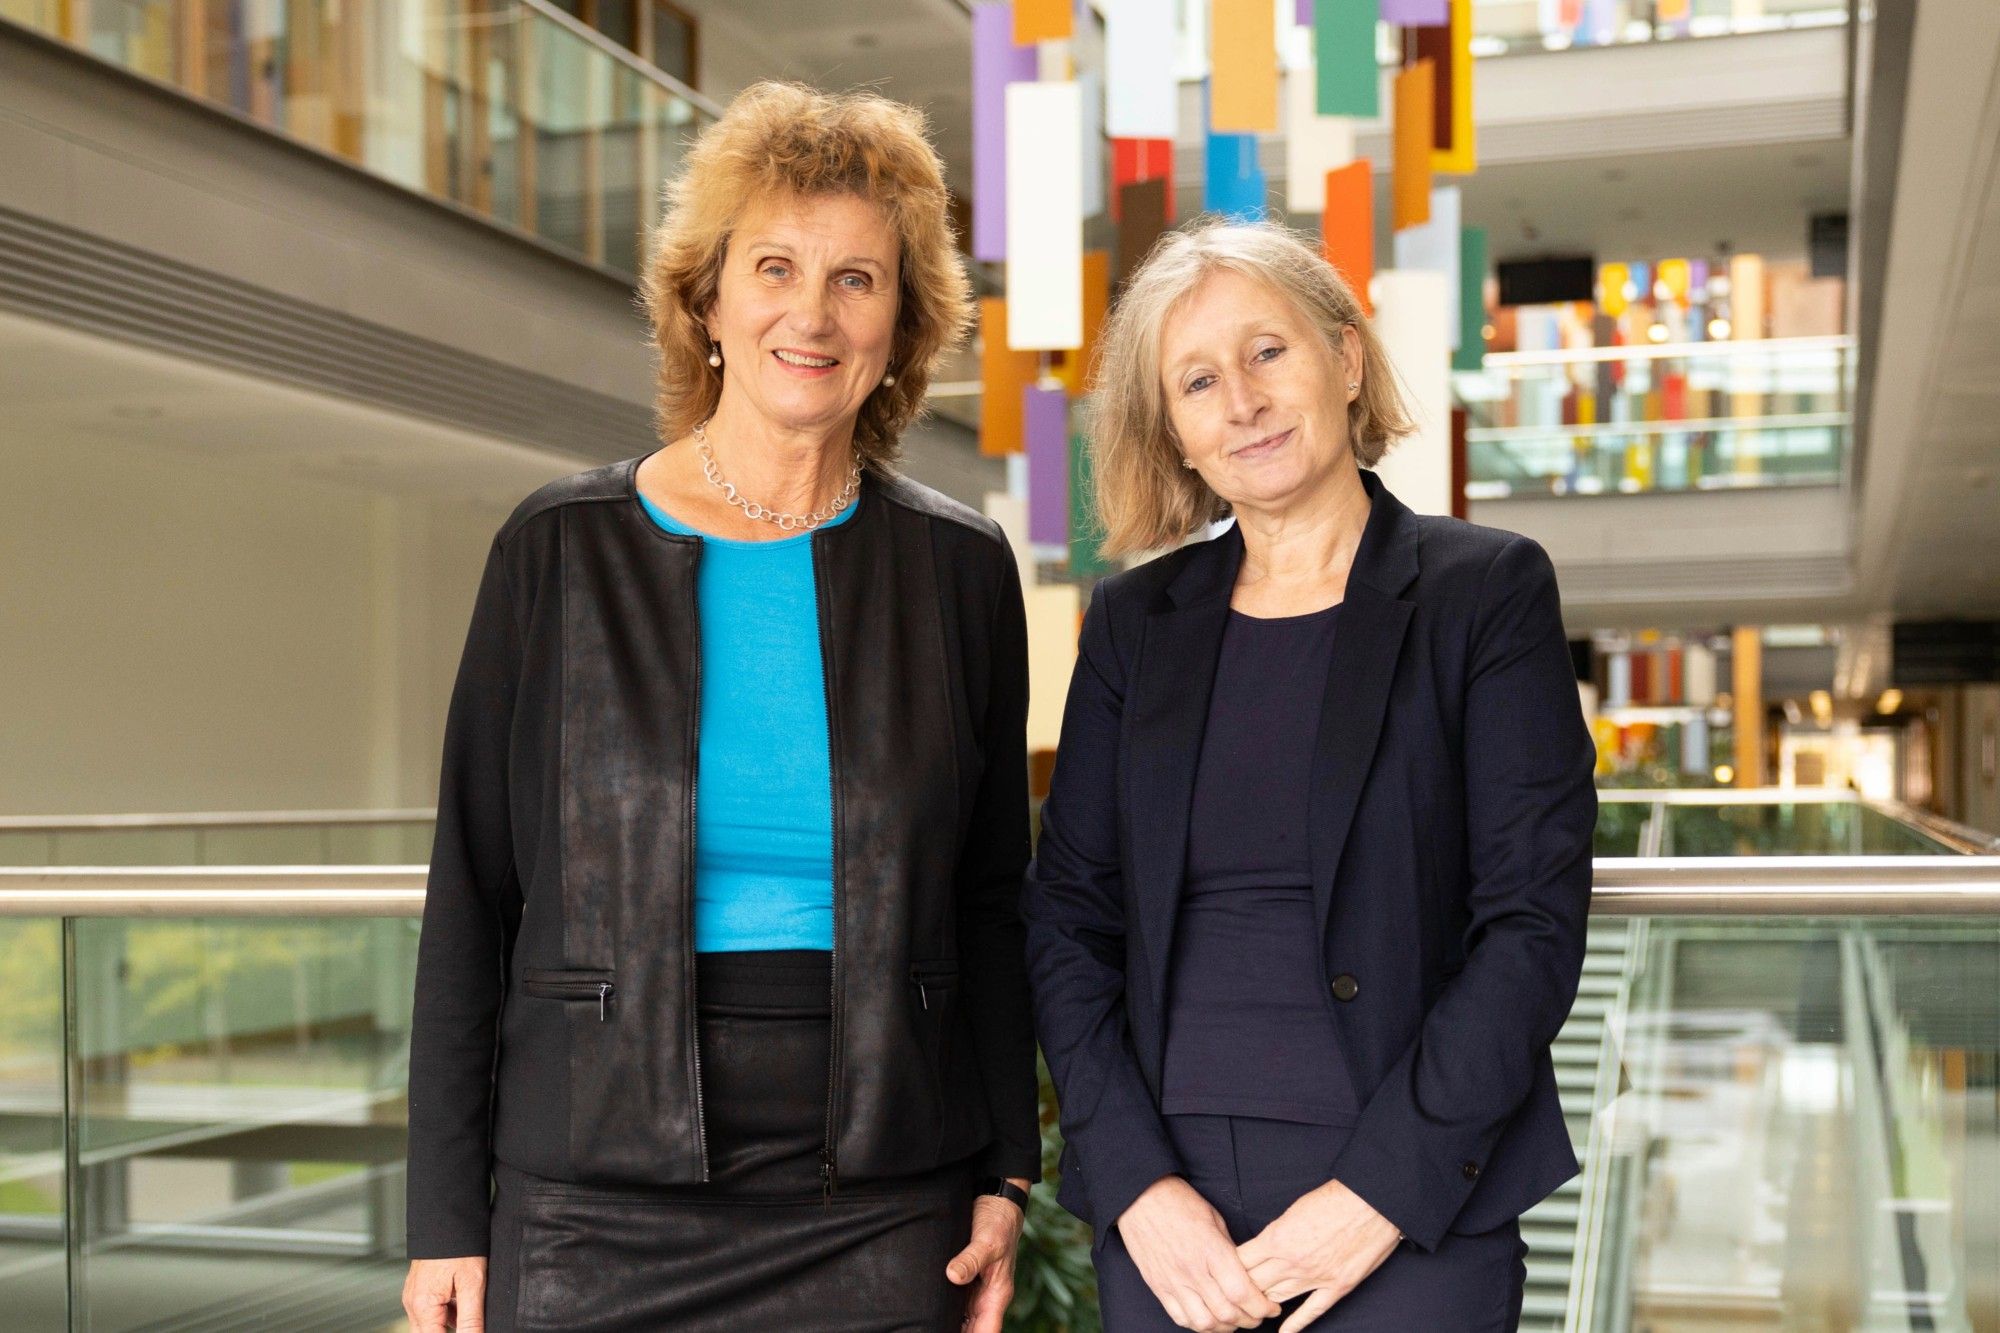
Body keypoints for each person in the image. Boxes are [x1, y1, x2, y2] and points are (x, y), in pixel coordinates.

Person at [401, 81, 1040, 1333]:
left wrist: (1006, 1172)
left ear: (900, 325)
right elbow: (473, 895)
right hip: (588, 1184)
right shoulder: (556, 550)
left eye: (857, 279)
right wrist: (440, 1221)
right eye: (775, 267)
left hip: (881, 1179)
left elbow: (988, 899)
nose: (811, 311)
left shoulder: (959, 571)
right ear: (705, 302)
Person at [1023, 219, 1598, 1333]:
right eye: (1196, 381)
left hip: (1412, 1200)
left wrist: (1379, 1192)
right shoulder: (1133, 626)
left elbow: (1530, 918)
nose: (1238, 400)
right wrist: (1135, 1185)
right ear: (1176, 436)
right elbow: (1066, 920)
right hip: (1170, 1223)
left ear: (1343, 359)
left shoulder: (1483, 593)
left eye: (1266, 352)